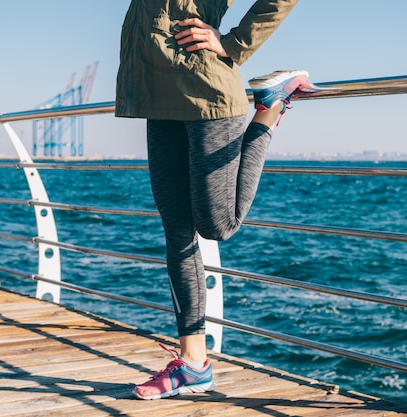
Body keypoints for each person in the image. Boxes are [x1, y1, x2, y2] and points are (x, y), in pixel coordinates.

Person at [115, 0, 308, 400]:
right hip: (158, 96)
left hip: (208, 94)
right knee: (177, 232)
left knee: (217, 225)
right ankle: (193, 364)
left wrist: (235, 44)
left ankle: (268, 109)